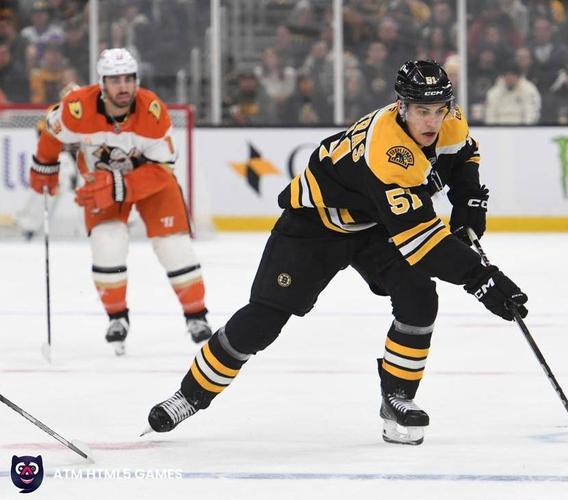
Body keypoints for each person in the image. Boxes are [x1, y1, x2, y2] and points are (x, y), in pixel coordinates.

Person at [144, 60, 529, 445]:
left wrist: (469, 201)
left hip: (373, 223)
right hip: (315, 223)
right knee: (263, 320)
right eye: (421, 111)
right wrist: (482, 279)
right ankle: (189, 395)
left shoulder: (450, 121)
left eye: (439, 110)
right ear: (401, 107)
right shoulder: (389, 152)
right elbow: (422, 244)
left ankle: (397, 397)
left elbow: (463, 155)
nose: (432, 121)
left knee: (418, 296)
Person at [28, 48, 212, 355]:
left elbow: (164, 168)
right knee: (107, 242)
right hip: (100, 184)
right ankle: (117, 318)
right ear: (101, 84)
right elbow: (51, 129)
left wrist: (118, 184)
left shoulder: (152, 111)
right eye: (115, 80)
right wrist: (45, 163)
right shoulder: (77, 108)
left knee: (174, 246)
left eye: (128, 78)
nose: (123, 86)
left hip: (151, 184)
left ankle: (196, 316)